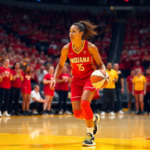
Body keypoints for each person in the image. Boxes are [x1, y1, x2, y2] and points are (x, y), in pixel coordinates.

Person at [50, 21, 105, 146]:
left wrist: (103, 73)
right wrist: (54, 78)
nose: (71, 33)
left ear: (81, 33)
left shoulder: (91, 47)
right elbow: (60, 64)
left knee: (85, 103)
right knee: (78, 114)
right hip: (76, 80)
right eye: (70, 31)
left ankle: (90, 135)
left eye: (74, 31)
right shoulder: (66, 48)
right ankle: (94, 119)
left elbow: (101, 64)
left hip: (90, 79)